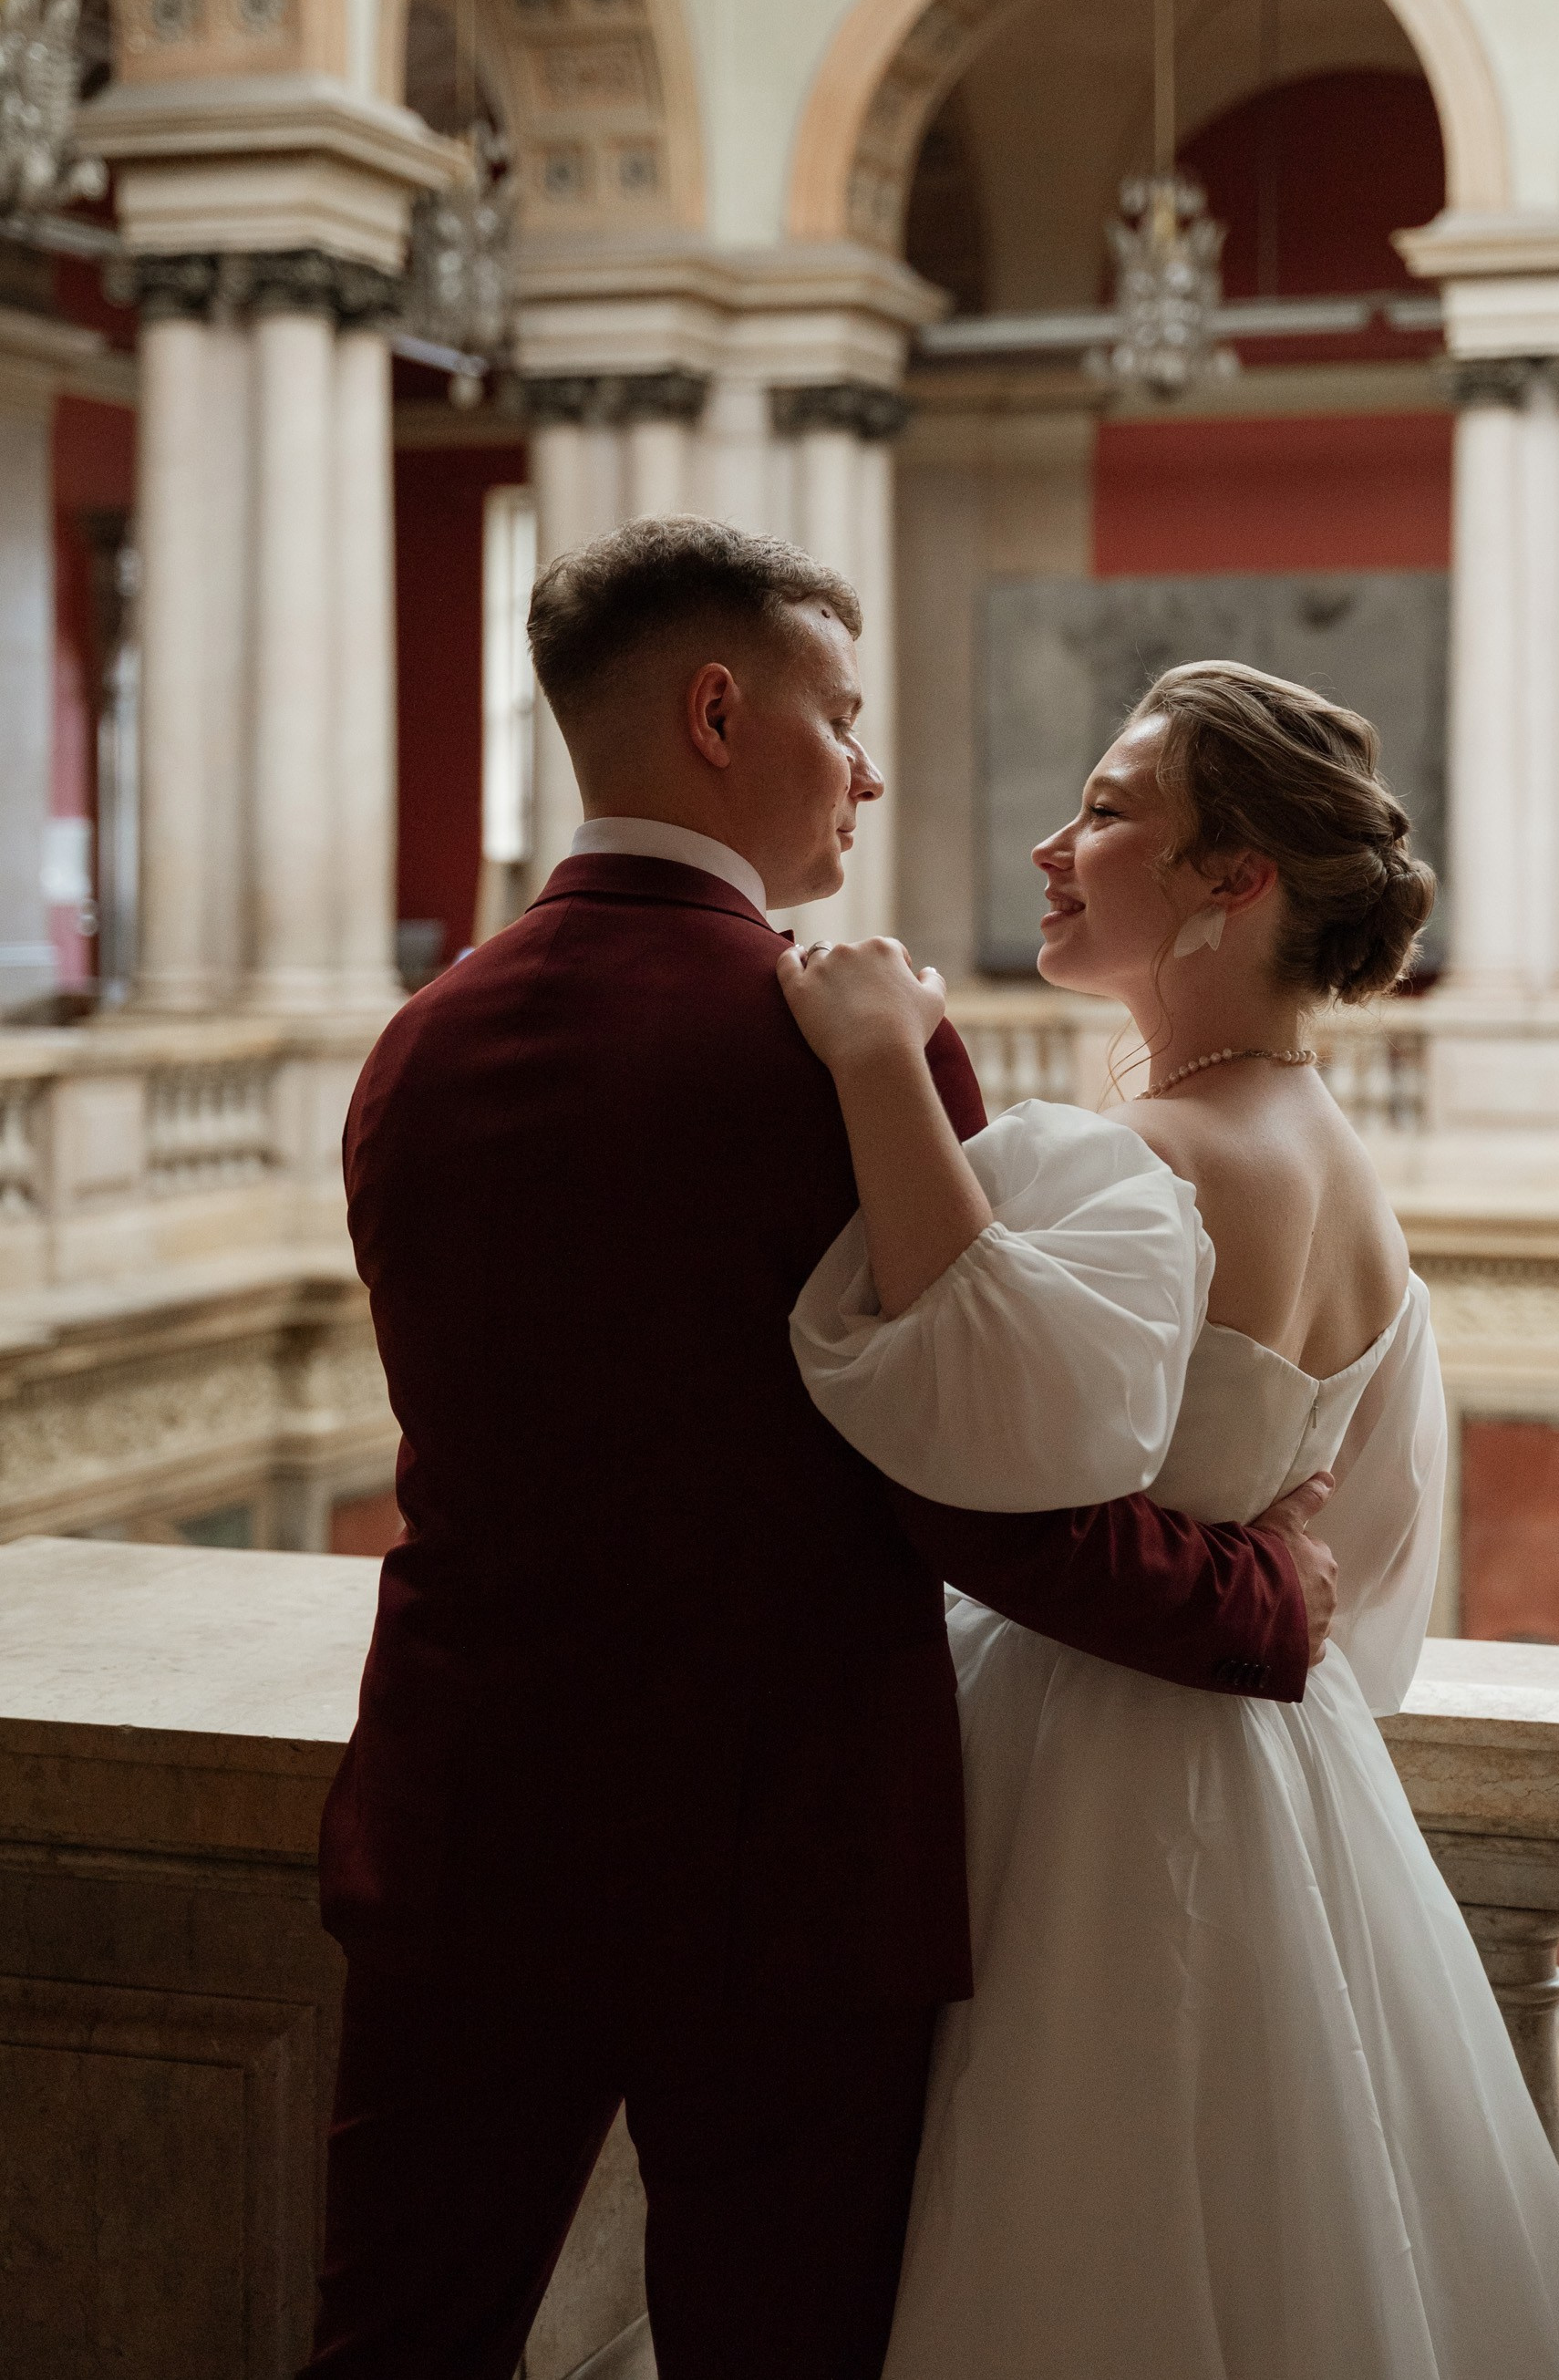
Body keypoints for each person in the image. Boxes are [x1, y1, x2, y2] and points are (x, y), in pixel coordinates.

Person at [303, 525, 1337, 2380]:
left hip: (468, 1829)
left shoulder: (416, 1048)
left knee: (395, 2344)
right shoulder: (841, 1052)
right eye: (840, 716)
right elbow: (974, 1488)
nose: (867, 769)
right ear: (719, 713)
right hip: (772, 1870)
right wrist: (1253, 1604)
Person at [780, 660, 1559, 2380]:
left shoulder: (1143, 1159)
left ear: (1234, 880)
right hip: (1283, 1769)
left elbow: (936, 1412)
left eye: (1109, 813)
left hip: (1081, 1761)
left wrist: (881, 1058)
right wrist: (1276, 1566)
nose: (1053, 843)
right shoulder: (1334, 1155)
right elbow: (1375, 1552)